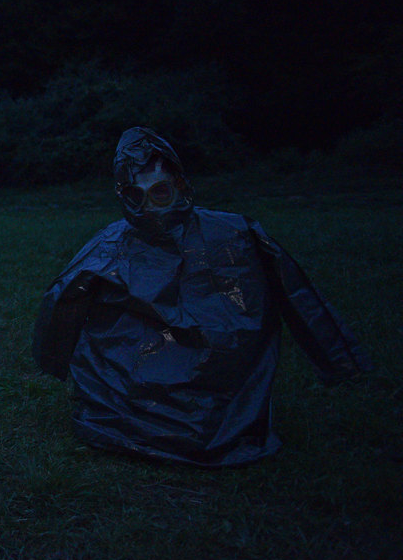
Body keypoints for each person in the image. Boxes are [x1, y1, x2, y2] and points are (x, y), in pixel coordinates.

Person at [32, 127, 372, 467]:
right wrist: (52, 356)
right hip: (139, 372)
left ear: (179, 184)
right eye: (136, 196)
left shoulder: (233, 233)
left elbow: (296, 292)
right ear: (124, 196)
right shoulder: (113, 243)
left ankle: (175, 418)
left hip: (215, 372)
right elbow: (63, 296)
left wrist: (337, 358)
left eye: (160, 191)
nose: (150, 206)